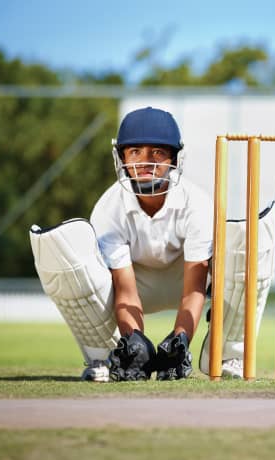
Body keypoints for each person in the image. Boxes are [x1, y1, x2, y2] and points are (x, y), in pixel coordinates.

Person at [89, 106, 212, 381]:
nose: (145, 162)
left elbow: (194, 289)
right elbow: (126, 292)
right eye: (135, 152)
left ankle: (229, 355)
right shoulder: (108, 209)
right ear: (120, 156)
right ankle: (97, 358)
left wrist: (181, 340)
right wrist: (135, 342)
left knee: (240, 245)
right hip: (137, 284)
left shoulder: (198, 204)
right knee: (73, 259)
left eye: (157, 152)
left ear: (175, 158)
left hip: (185, 281)